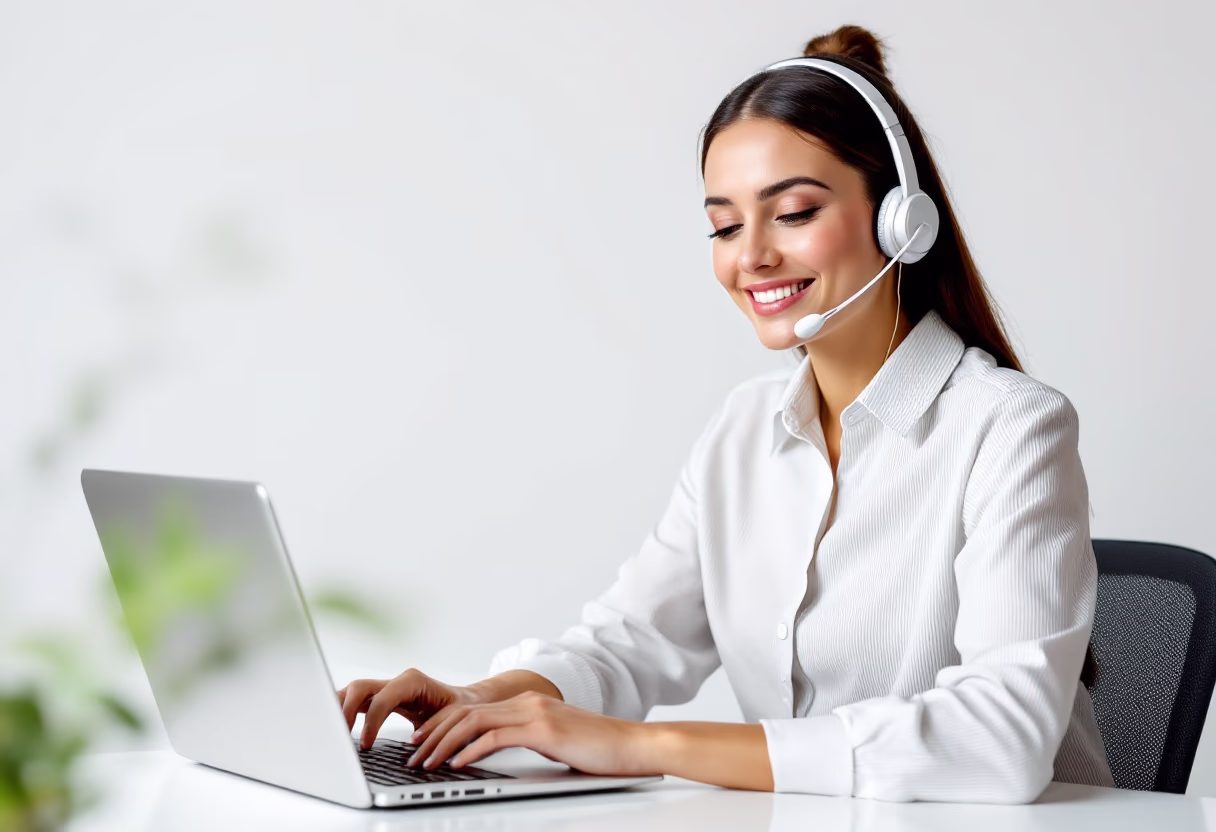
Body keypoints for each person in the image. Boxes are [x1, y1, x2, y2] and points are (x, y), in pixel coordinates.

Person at [337, 24, 1115, 803]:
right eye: (724, 224)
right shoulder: (744, 432)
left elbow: (999, 741)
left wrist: (644, 747)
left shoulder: (1011, 429)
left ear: (900, 220)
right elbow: (631, 643)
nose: (751, 257)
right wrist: (487, 698)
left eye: (795, 212)